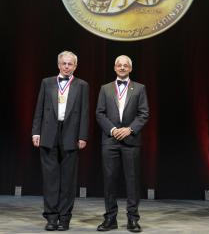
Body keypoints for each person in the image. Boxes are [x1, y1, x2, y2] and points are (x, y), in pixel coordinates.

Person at [32, 51, 89, 231]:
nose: (66, 66)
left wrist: (82, 136)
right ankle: (51, 217)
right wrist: (36, 132)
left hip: (71, 133)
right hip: (49, 131)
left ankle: (64, 218)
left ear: (75, 66)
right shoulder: (47, 82)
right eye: (63, 63)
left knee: (68, 180)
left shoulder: (82, 85)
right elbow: (39, 108)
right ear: (58, 65)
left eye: (70, 64)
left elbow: (85, 112)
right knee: (50, 179)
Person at [96, 55, 149, 232]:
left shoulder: (140, 88)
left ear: (130, 69)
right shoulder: (105, 88)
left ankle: (133, 219)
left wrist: (129, 129)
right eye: (119, 65)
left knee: (132, 181)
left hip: (131, 140)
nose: (122, 67)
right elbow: (100, 113)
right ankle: (110, 218)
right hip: (110, 140)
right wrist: (112, 130)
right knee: (109, 180)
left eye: (126, 65)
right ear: (114, 67)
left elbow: (144, 114)